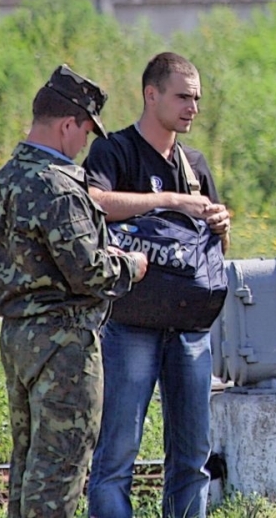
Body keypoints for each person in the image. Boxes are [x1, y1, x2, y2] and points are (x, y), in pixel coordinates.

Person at [0, 65, 148, 518]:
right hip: (64, 343)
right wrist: (130, 263)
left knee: (30, 464)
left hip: (18, 337)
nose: (85, 145)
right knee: (61, 470)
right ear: (68, 124)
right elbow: (90, 273)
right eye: (86, 133)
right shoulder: (58, 187)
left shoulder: (0, 184)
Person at [84, 52, 231, 518]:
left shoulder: (195, 162)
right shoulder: (115, 150)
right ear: (152, 95)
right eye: (183, 97)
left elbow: (209, 247)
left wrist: (220, 223)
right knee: (117, 455)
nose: (193, 108)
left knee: (192, 458)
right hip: (130, 324)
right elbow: (93, 203)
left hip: (188, 327)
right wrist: (167, 200)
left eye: (198, 99)